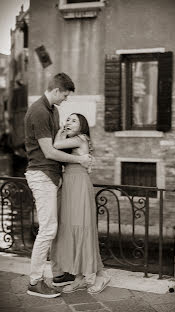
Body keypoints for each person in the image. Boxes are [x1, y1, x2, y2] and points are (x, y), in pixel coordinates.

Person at [24, 73, 92, 298]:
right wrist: (80, 160)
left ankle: (51, 276)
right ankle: (35, 281)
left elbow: (59, 145)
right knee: (48, 229)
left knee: (52, 228)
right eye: (64, 95)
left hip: (52, 176)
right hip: (41, 175)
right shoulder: (39, 111)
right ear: (56, 90)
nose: (65, 100)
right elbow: (49, 151)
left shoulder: (53, 110)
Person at [50, 113, 110, 294]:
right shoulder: (75, 142)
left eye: (73, 120)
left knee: (82, 229)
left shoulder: (80, 138)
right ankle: (80, 278)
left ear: (82, 126)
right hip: (70, 186)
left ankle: (101, 275)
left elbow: (54, 146)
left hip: (79, 187)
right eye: (67, 119)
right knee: (74, 230)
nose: (69, 122)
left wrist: (60, 130)